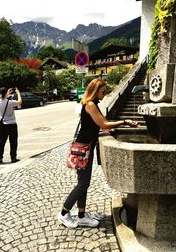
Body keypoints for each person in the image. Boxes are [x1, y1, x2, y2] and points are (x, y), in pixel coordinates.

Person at [58, 78, 138, 228]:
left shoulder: (93, 104)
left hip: (87, 147)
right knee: (83, 184)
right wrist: (124, 121)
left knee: (84, 183)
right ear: (95, 91)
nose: (105, 93)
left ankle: (81, 215)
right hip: (83, 148)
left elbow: (102, 123)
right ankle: (63, 213)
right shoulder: (89, 105)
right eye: (103, 91)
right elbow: (104, 124)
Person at [0, 87, 22, 164]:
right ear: (5, 94)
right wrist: (18, 93)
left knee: (1, 143)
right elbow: (20, 102)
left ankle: (0, 158)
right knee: (13, 142)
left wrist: (7, 93)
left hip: (2, 125)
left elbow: (3, 98)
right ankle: (13, 158)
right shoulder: (11, 102)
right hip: (12, 125)